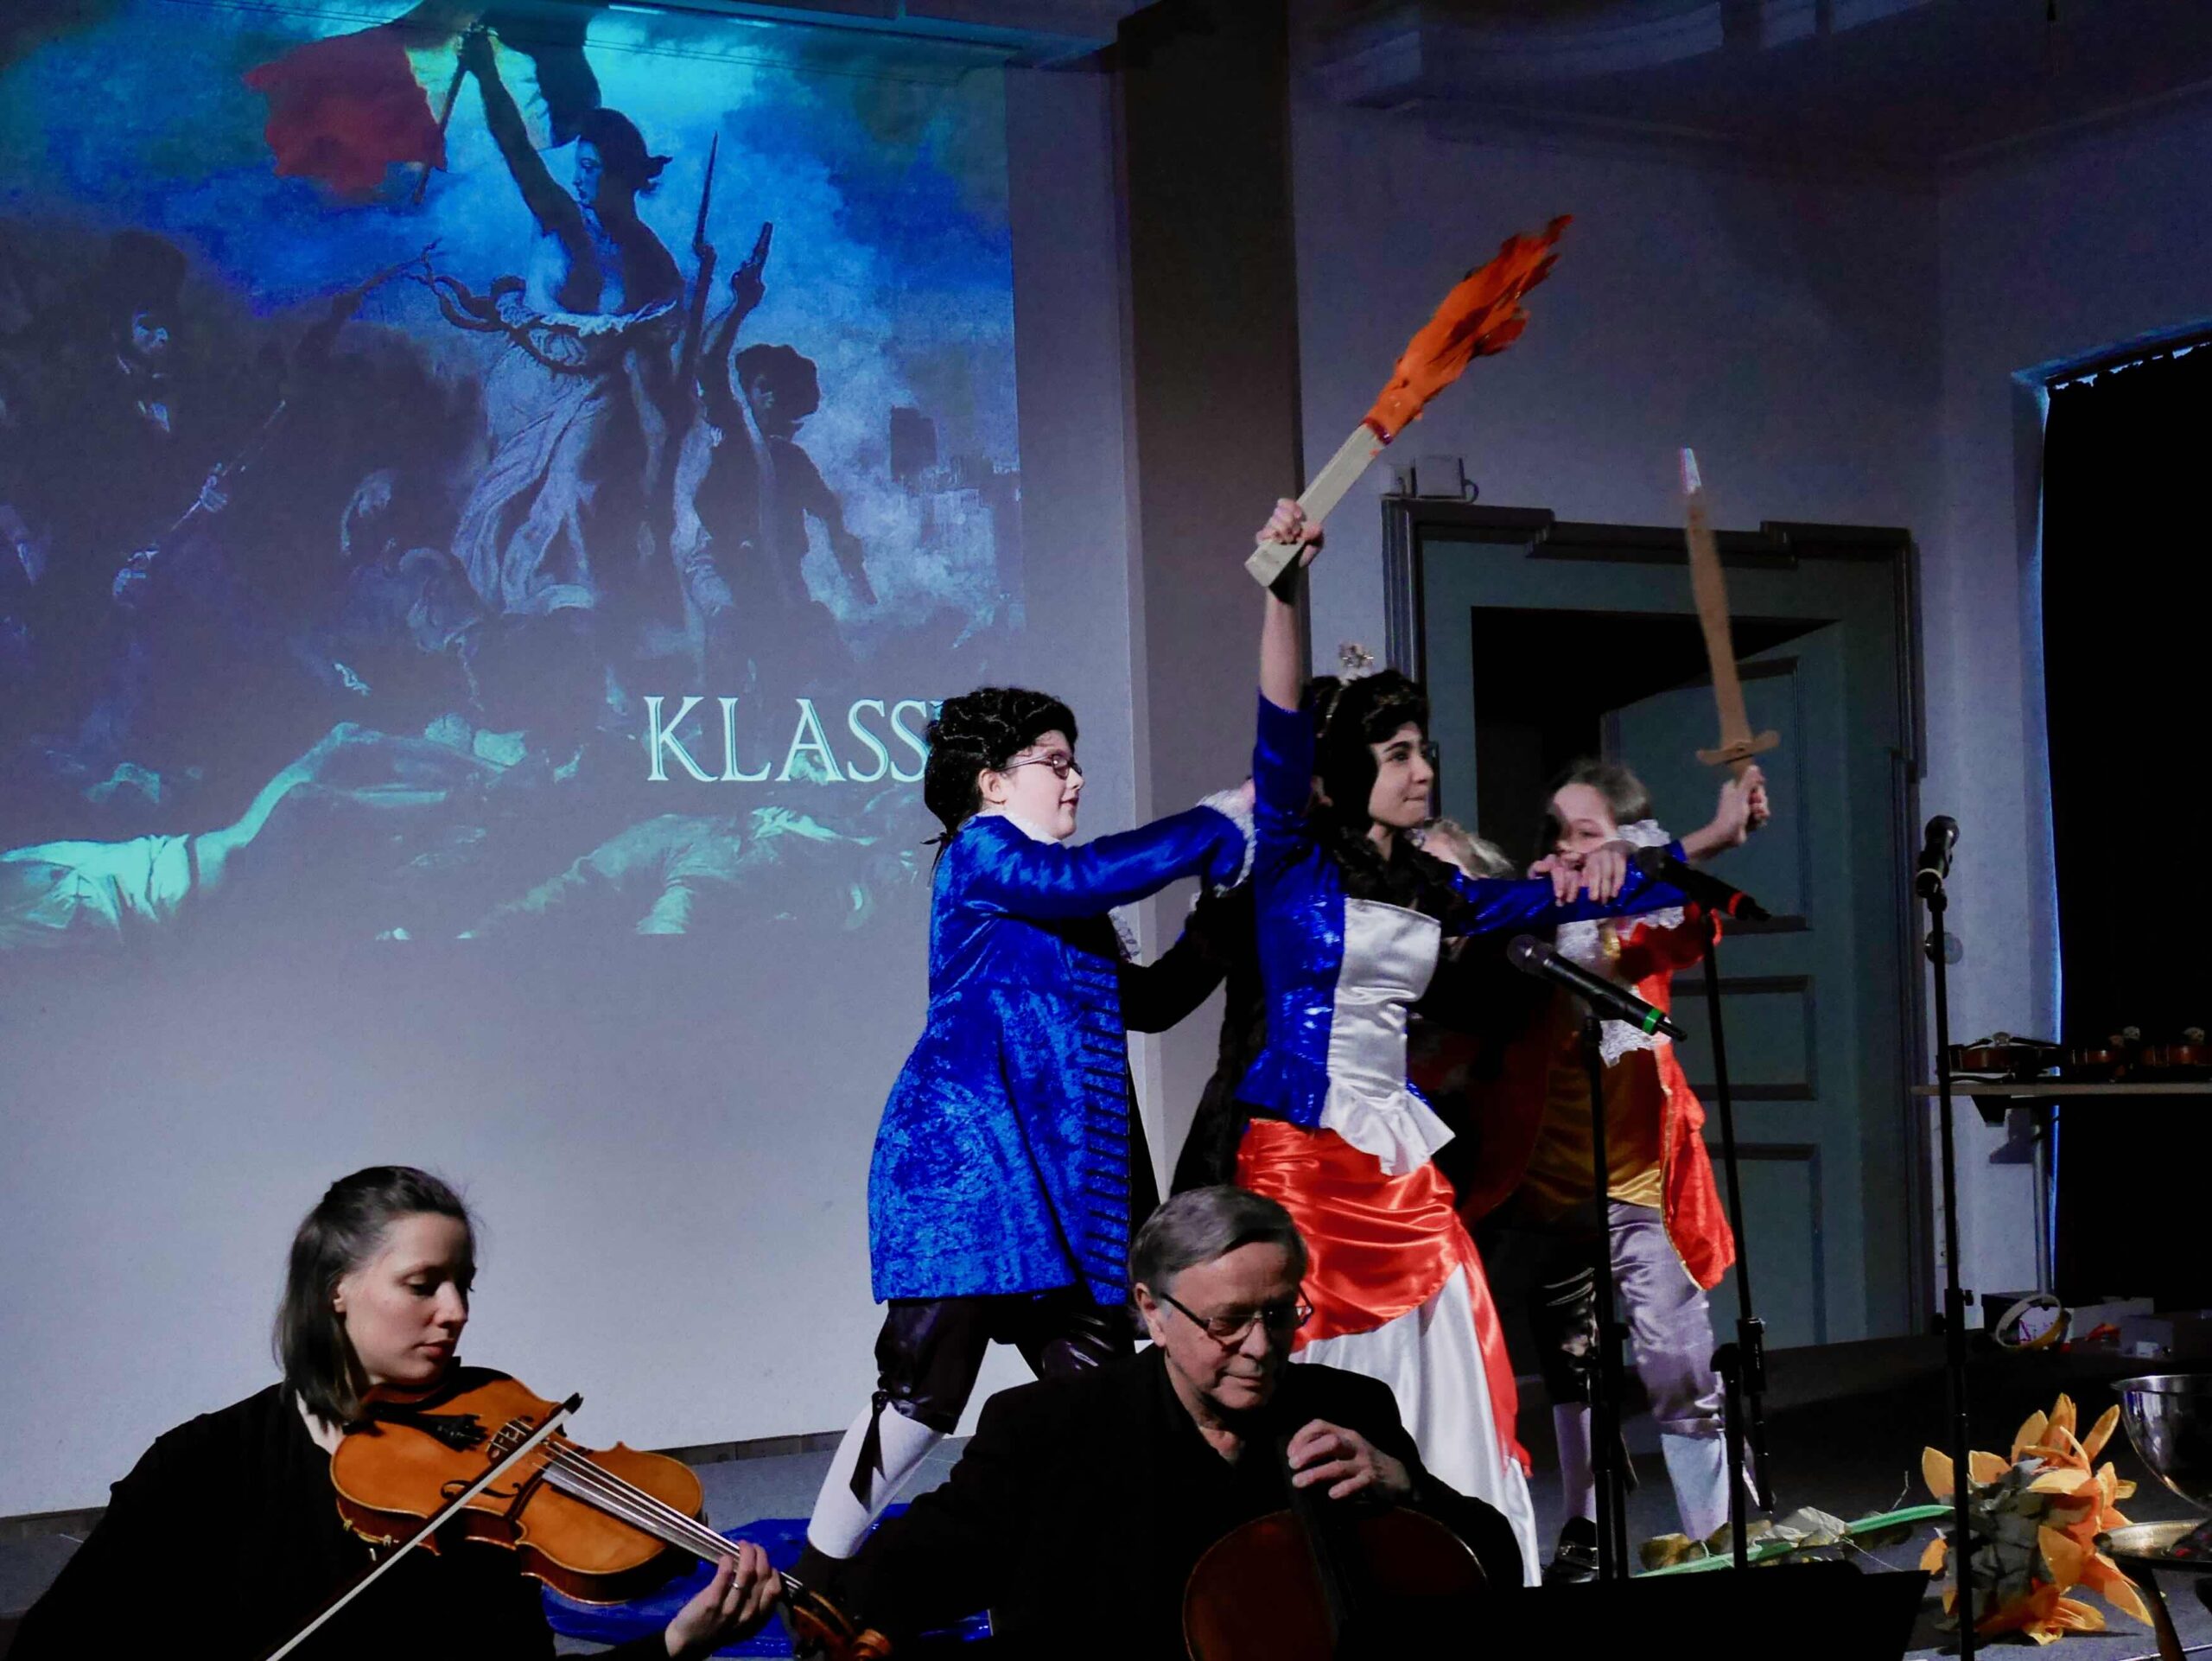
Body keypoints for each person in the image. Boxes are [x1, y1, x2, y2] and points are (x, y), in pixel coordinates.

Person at [1235, 500, 1760, 1583]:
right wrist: (1283, 585)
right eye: (1396, 753)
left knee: (1457, 1330)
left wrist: (1685, 846)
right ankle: (1314, 1570)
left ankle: (1462, 1561)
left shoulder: (1440, 888)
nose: (1422, 768)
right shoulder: (1292, 854)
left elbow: (1566, 900)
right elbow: (1279, 718)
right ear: (1346, 767)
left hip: (1397, 1155)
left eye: (1424, 750)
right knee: (1312, 1352)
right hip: (1303, 1151)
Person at [798, 686, 1253, 1575]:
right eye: (1056, 761)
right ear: (992, 782)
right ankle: (818, 1573)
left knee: (1105, 1388)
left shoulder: (1065, 899)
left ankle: (1140, 1577)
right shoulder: (983, 852)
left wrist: (1223, 907)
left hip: (1065, 1184)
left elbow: (1153, 1002)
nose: (1075, 778)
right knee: (924, 1388)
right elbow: (1083, 876)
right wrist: (1218, 820)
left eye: (1075, 762)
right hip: (967, 1168)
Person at [11, 1166, 778, 1658]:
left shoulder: (488, 1487)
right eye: (423, 1284)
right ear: (334, 1290)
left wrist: (676, 1643)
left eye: (463, 1283)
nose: (457, 1311)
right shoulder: (206, 1464)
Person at [824, 1186, 1521, 1656]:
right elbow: (914, 1570)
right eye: (1228, 1321)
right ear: (1152, 1312)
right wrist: (825, 1601)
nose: (1260, 1347)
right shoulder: (1047, 1430)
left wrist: (1409, 1491)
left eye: (1280, 1314)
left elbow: (1493, 1565)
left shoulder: (1349, 1408)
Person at [1468, 758, 1767, 1580]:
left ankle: (1717, 1536)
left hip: (1641, 1182)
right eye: (1559, 833)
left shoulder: (1647, 918)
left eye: (1589, 832)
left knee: (1676, 1357)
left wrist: (1671, 855)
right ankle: (1584, 1521)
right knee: (1570, 1360)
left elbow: (1694, 930)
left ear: (1629, 840)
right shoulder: (1532, 913)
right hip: (1543, 1182)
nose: (1571, 847)